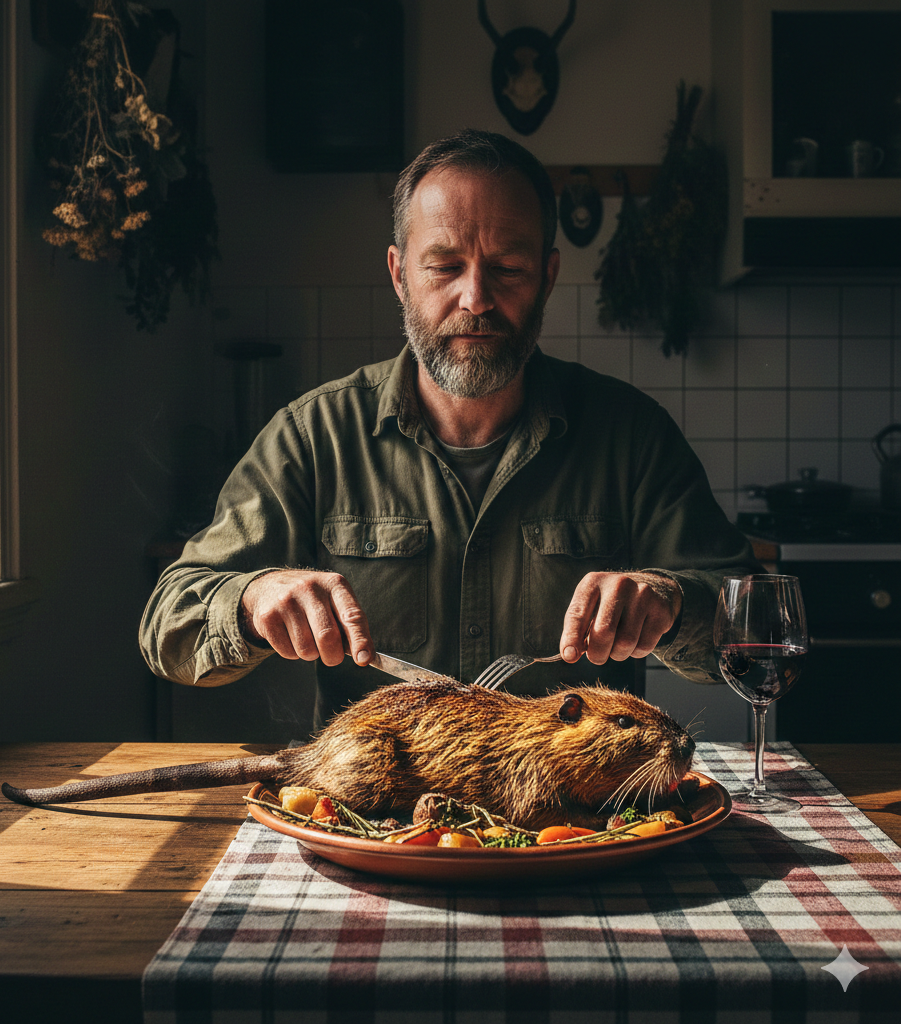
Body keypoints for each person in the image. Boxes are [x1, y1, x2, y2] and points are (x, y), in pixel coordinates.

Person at [140, 129, 760, 730]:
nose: (476, 298)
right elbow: (166, 622)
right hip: (375, 815)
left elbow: (755, 625)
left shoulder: (633, 438)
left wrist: (671, 602)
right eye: (444, 266)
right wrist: (251, 601)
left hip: (579, 817)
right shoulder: (312, 437)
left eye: (508, 268)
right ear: (398, 273)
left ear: (547, 276)